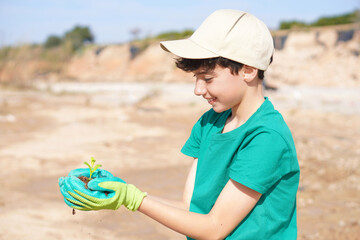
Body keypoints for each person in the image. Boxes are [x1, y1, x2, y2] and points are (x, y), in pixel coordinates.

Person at [59, 9, 300, 240]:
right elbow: (190, 209)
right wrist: (121, 191)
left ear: (248, 70)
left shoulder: (266, 137)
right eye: (196, 79)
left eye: (207, 79)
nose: (198, 90)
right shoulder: (210, 122)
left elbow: (214, 228)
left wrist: (133, 199)